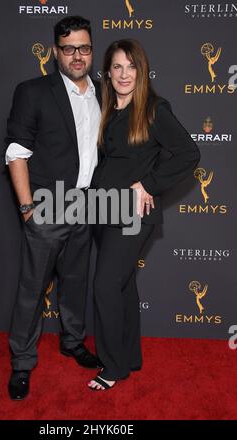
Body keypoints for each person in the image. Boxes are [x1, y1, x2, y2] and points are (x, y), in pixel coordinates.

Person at [88, 39, 201, 390]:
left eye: (131, 66)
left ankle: (111, 367)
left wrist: (149, 184)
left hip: (132, 214)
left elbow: (189, 153)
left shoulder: (153, 109)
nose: (124, 74)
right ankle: (129, 358)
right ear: (107, 72)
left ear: (142, 71)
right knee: (122, 287)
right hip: (103, 210)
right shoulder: (108, 108)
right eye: (117, 67)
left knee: (106, 286)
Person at [5, 16, 102, 400]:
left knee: (75, 283)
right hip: (46, 207)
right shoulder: (33, 91)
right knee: (32, 289)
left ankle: (72, 341)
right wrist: (28, 208)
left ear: (91, 50)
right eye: (69, 48)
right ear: (54, 52)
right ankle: (22, 362)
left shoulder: (102, 90)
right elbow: (16, 153)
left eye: (84, 47)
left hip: (87, 204)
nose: (77, 55)